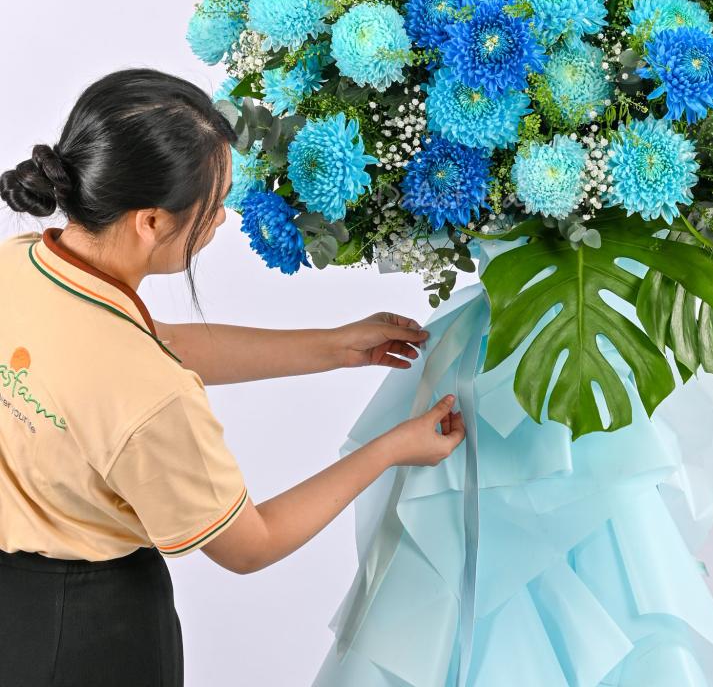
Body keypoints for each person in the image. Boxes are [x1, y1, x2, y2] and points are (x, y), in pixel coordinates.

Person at [0, 68, 466, 687]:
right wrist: (393, 448)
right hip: (95, 635)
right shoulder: (153, 396)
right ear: (150, 222)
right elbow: (251, 545)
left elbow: (150, 343)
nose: (222, 219)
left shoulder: (20, 265)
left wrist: (332, 347)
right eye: (213, 204)